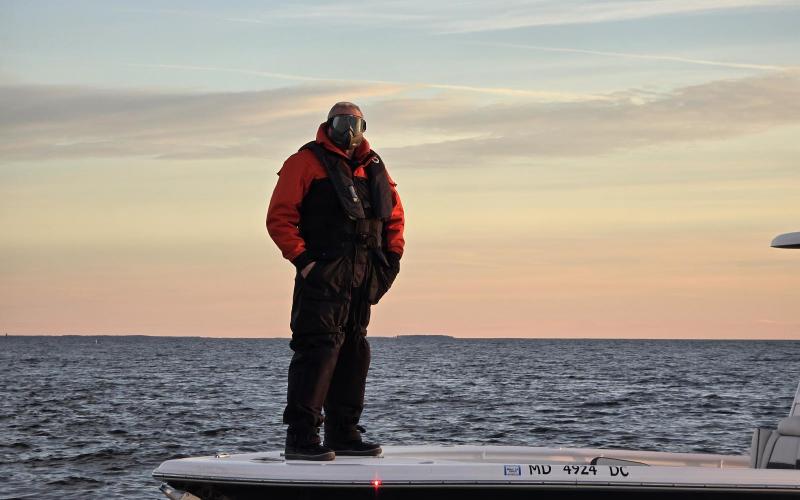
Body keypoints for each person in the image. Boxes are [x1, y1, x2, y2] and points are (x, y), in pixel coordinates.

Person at [266, 102, 405, 460]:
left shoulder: (375, 167)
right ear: (329, 124)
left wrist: (391, 260)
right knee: (317, 351)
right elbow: (280, 218)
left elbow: (395, 217)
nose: (350, 128)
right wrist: (305, 261)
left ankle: (343, 433)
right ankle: (301, 438)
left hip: (364, 276)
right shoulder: (305, 163)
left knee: (354, 352)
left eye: (356, 122)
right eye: (343, 121)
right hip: (324, 274)